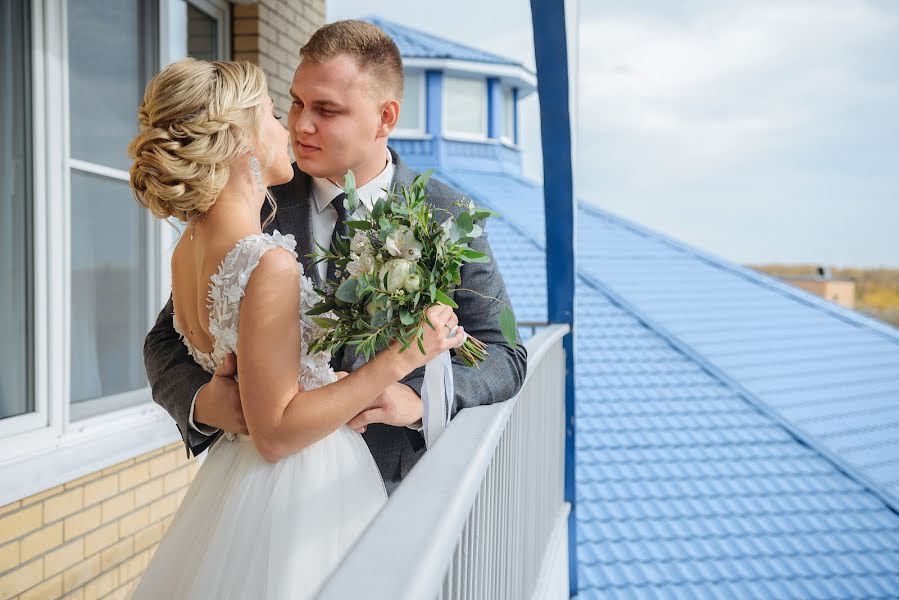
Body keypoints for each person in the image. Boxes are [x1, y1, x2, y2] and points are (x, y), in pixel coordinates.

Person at [126, 57, 465, 598]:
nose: (289, 129)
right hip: (300, 493)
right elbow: (278, 432)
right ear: (241, 141)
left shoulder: (188, 246)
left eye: (323, 109)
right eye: (274, 115)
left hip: (239, 486)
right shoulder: (268, 263)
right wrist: (399, 360)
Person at [144, 20, 527, 495]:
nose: (301, 125)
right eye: (296, 103)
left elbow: (504, 354)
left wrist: (420, 401)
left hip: (405, 493)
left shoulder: (447, 216)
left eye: (326, 110)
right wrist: (204, 402)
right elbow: (166, 339)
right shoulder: (253, 209)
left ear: (385, 118)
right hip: (273, 496)